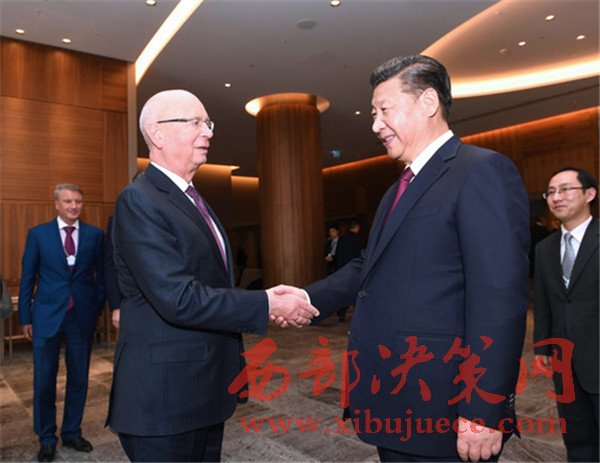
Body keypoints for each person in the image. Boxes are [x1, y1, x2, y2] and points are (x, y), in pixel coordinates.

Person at [276, 55, 530, 462]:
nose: (375, 125)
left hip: (445, 406)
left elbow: (498, 301)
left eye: (384, 110)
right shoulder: (398, 189)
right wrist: (308, 298)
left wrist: (483, 410)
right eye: (373, 113)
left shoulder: (480, 171)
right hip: (394, 398)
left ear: (428, 102)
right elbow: (369, 265)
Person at [106, 89, 318, 462]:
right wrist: (266, 303)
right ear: (157, 133)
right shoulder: (139, 199)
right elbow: (178, 298)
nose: (208, 132)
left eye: (208, 123)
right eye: (195, 122)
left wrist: (265, 298)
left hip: (203, 389)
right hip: (165, 401)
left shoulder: (192, 198)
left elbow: (209, 284)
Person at [18, 183, 105, 462]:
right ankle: (46, 439)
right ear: (57, 204)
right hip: (46, 316)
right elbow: (27, 278)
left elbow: (102, 275)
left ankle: (72, 432)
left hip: (81, 317)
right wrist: (25, 317)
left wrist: (96, 308)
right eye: (68, 201)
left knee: (79, 377)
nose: (73, 206)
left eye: (78, 201)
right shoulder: (38, 234)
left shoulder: (94, 235)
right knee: (44, 379)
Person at [533, 167, 598, 462]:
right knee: (577, 436)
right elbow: (543, 300)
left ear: (589, 194)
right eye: (550, 192)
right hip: (565, 360)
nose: (556, 197)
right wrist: (542, 346)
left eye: (565, 189)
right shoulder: (544, 248)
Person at [104, 171, 145, 330]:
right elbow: (111, 265)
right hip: (131, 301)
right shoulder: (117, 220)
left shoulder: (172, 217)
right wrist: (116, 306)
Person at [334, 220, 363, 321]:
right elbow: (359, 254)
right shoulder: (358, 238)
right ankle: (356, 316)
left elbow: (338, 254)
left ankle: (341, 314)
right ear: (357, 227)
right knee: (355, 292)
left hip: (342, 268)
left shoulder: (342, 239)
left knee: (342, 292)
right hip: (354, 269)